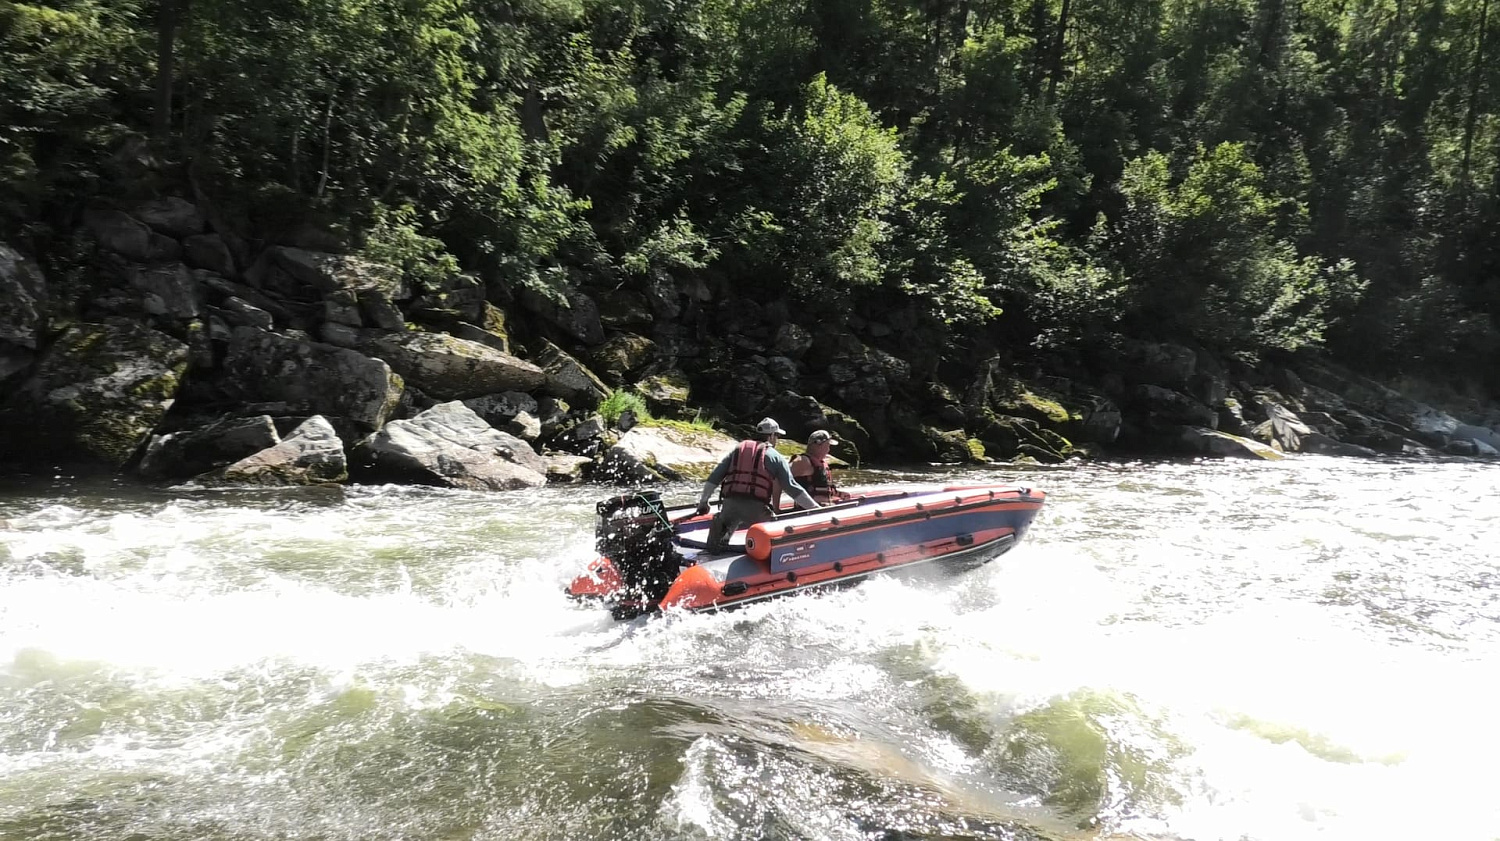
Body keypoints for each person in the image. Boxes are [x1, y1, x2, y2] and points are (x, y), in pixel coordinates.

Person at [696, 417, 819, 549]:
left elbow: (714, 477)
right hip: (756, 509)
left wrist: (704, 502)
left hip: (730, 505)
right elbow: (791, 487)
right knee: (773, 531)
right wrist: (816, 509)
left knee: (724, 524)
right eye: (777, 436)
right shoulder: (775, 456)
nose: (777, 439)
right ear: (771, 436)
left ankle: (716, 548)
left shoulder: (737, 450)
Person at [789, 429, 845, 505]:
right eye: (827, 446)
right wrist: (776, 509)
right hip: (809, 511)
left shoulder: (822, 463)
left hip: (825, 507)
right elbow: (780, 478)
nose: (828, 450)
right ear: (818, 445)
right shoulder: (803, 461)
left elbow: (825, 488)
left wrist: (839, 494)